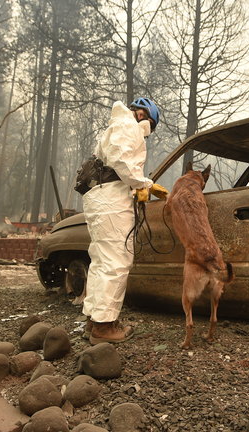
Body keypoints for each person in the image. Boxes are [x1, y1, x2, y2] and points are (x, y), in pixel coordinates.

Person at [82, 97, 166, 345]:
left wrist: (147, 185)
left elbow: (117, 162)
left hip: (101, 198)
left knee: (100, 261)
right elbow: (121, 160)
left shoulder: (117, 124)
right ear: (144, 116)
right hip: (111, 201)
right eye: (150, 125)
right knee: (117, 260)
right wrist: (142, 184)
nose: (148, 132)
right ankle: (104, 327)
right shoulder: (128, 125)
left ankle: (93, 320)